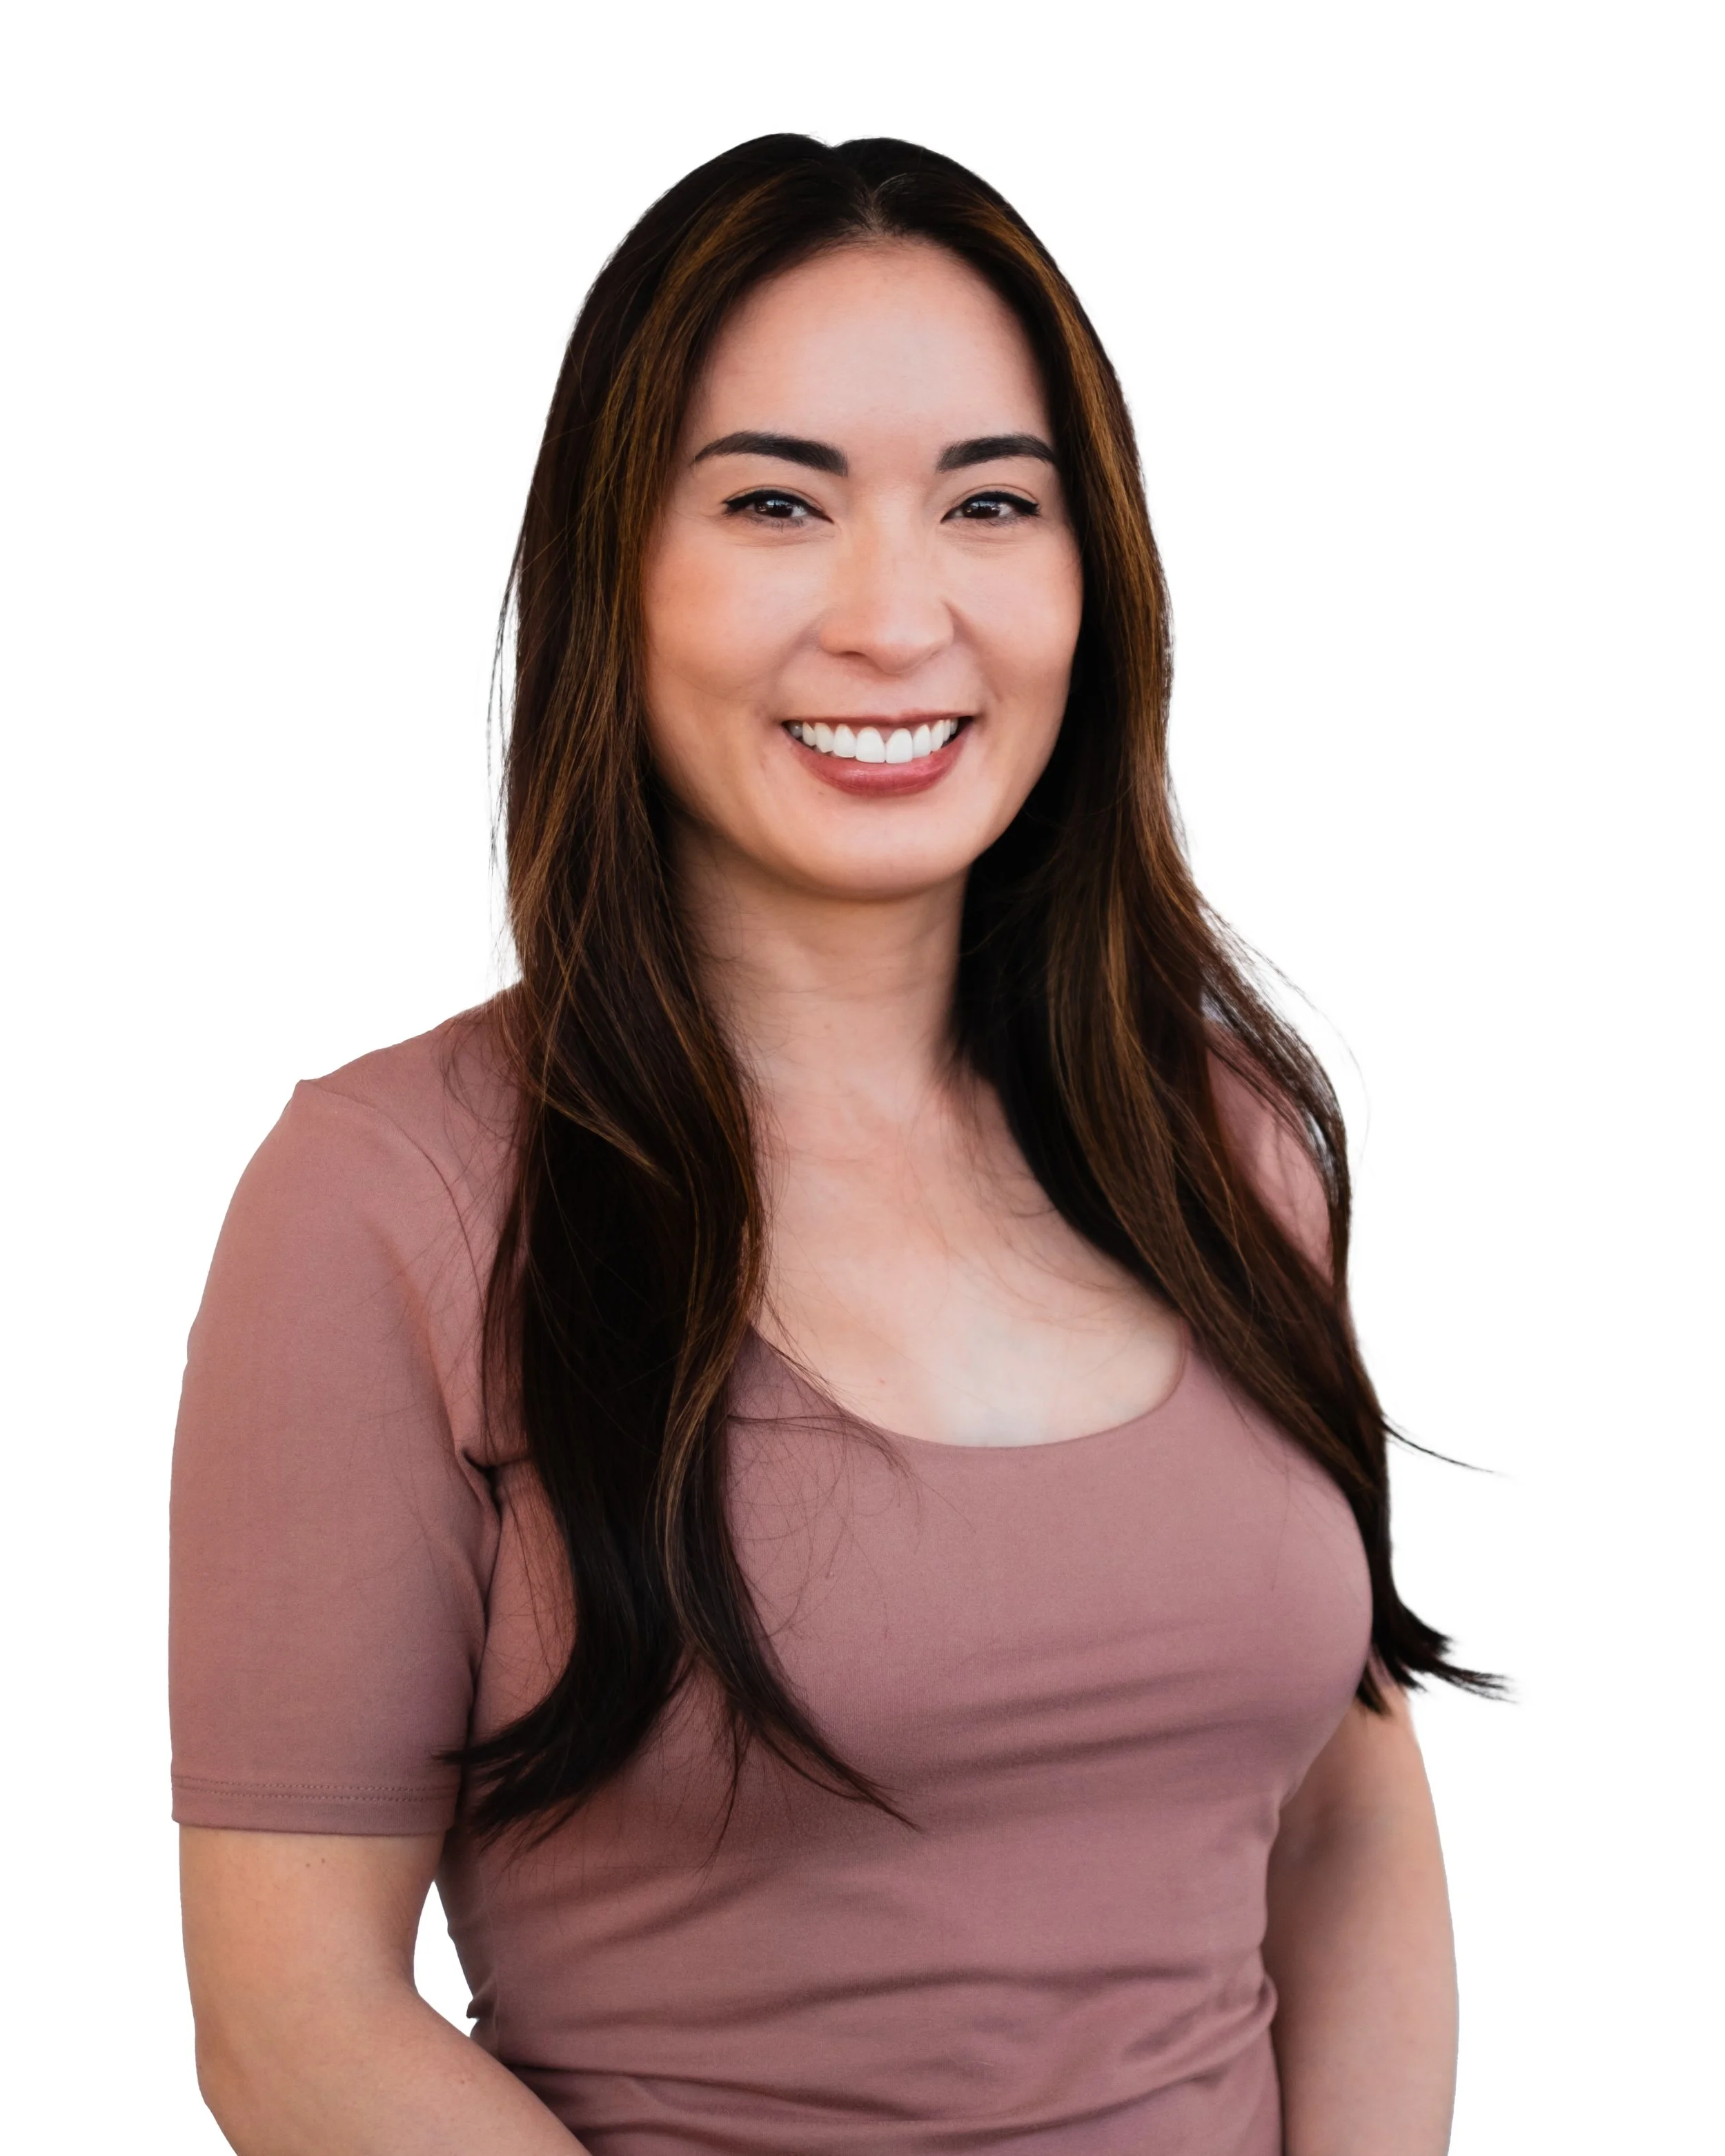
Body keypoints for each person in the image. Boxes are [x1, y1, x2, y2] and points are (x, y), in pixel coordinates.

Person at [170, 135, 1488, 2156]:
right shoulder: (385, 1196)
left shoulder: (1224, 1141)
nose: (895, 617)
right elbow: (291, 2018)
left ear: (1095, 579)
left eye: (991, 503)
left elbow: (1341, 1812)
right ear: (618, 572)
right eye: (776, 503)